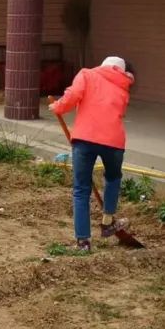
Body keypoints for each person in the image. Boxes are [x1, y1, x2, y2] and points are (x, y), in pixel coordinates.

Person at [48, 56, 135, 252]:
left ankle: (83, 242)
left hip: (85, 140)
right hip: (114, 142)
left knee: (81, 190)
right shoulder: (124, 85)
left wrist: (58, 106)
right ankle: (107, 221)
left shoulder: (87, 74)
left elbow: (73, 96)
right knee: (113, 178)